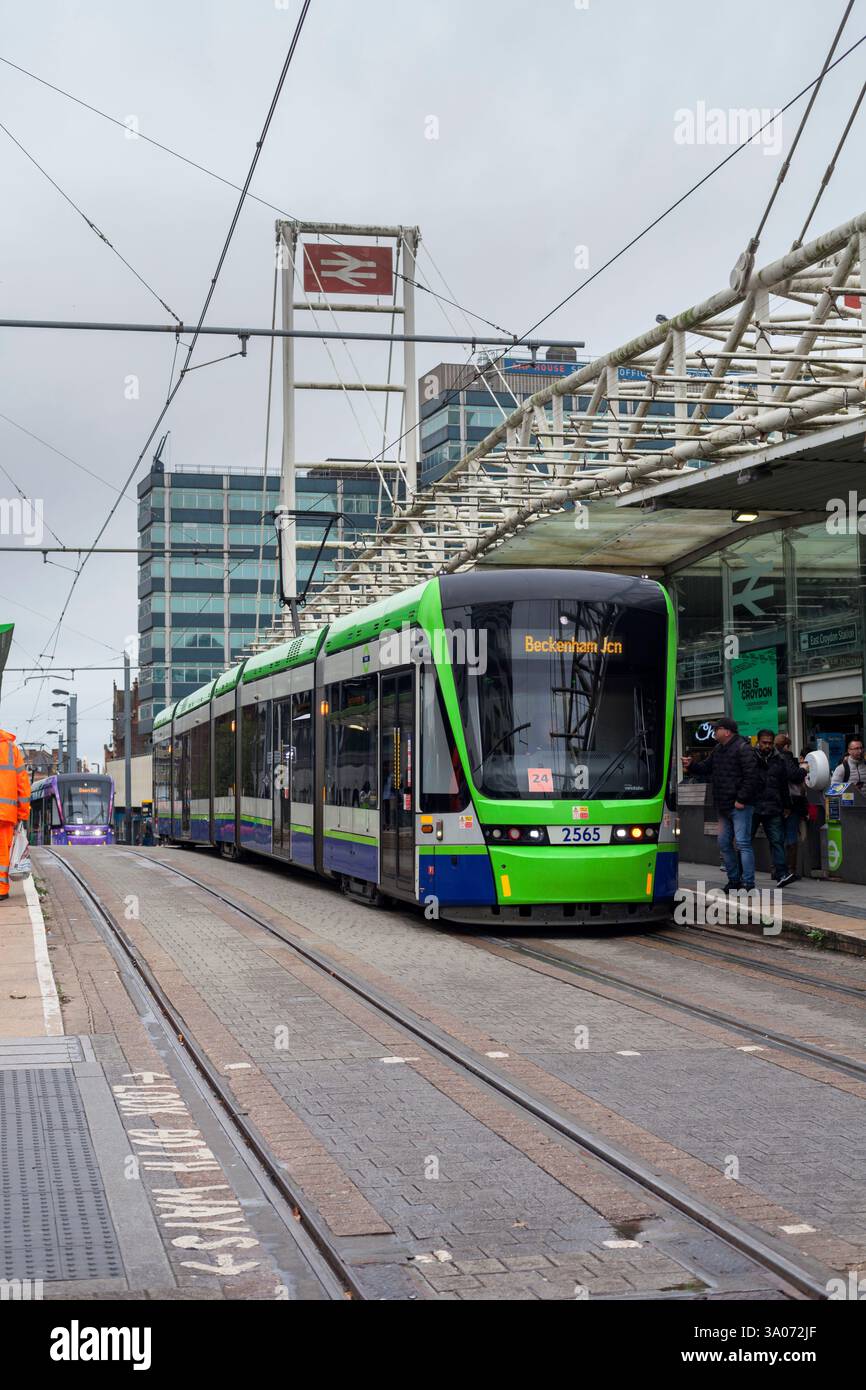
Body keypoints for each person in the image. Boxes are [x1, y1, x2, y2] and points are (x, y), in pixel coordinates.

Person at [682, 716, 760, 892]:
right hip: (723, 805)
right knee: (724, 843)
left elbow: (751, 777)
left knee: (742, 843)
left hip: (739, 805)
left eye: (716, 729)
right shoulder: (718, 749)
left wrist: (741, 799)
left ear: (727, 731)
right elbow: (705, 768)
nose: (714, 732)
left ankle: (748, 883)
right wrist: (691, 765)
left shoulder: (743, 749)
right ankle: (734, 880)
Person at [752, 729, 795, 887]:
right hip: (754, 805)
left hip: (773, 806)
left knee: (777, 841)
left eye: (770, 743)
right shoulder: (751, 757)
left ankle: (782, 874)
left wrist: (787, 805)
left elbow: (783, 785)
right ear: (758, 742)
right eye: (764, 742)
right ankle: (742, 875)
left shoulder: (779, 759)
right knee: (745, 842)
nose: (767, 746)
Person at [0, 727, 31, 902]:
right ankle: (1, 889)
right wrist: (22, 813)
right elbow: (23, 785)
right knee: (2, 852)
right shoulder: (11, 749)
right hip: (5, 813)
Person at [774, 733, 808, 881]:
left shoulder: (771, 758)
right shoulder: (786, 757)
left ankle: (776, 869)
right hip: (791, 802)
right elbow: (794, 776)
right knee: (791, 835)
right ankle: (789, 870)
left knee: (777, 836)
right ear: (787, 746)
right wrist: (804, 769)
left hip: (775, 802)